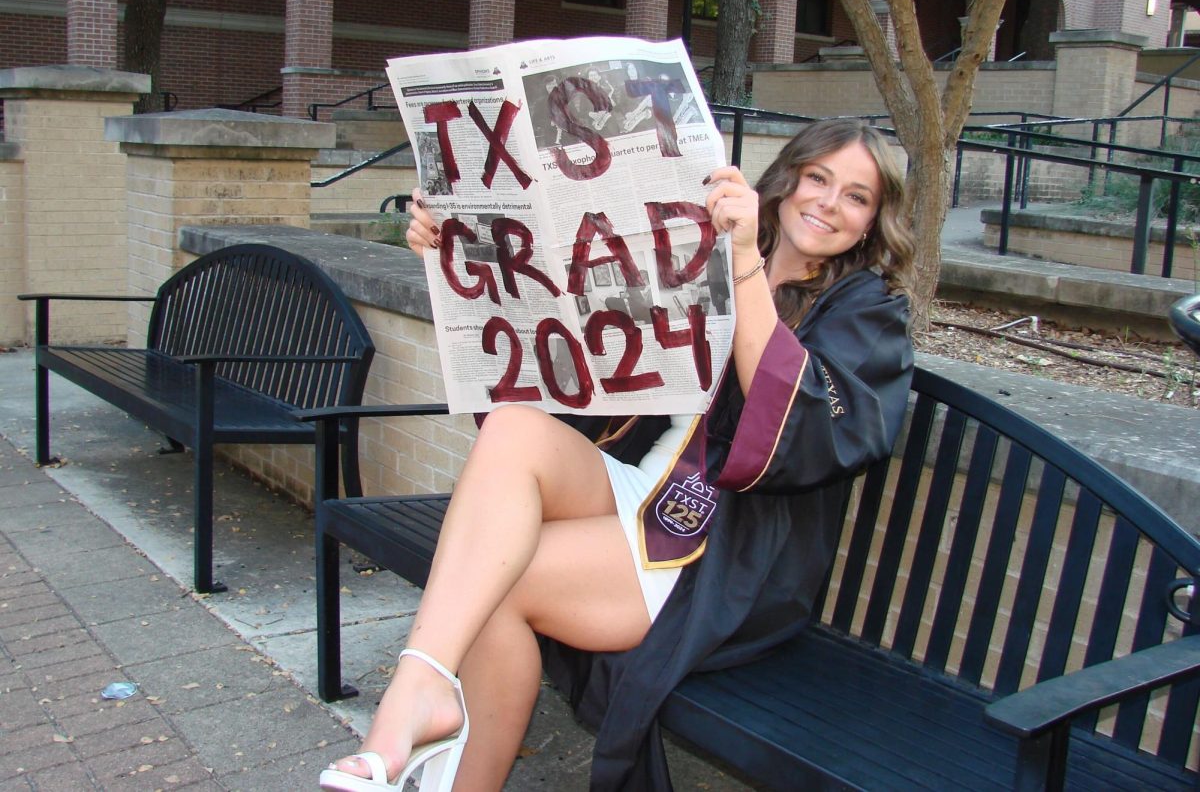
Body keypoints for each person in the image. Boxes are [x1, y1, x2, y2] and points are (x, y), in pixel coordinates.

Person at [319, 117, 916, 791]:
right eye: (818, 178)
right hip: (644, 485)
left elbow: (805, 426)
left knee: (493, 584)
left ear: (872, 221)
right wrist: (455, 258)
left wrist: (747, 265)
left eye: (857, 196)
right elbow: (574, 349)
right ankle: (422, 692)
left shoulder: (868, 309)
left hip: (729, 548)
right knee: (514, 425)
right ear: (786, 180)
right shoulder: (707, 250)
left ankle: (424, 725)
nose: (829, 203)